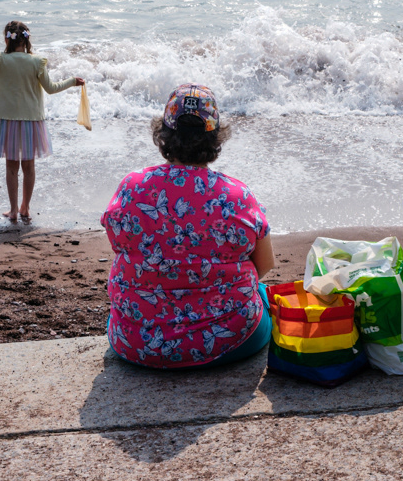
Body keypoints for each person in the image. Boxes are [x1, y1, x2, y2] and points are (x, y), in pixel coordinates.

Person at [101, 84, 275, 369]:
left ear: (164, 134)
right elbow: (264, 265)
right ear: (215, 137)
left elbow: (121, 247)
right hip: (230, 339)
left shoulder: (132, 188)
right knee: (263, 293)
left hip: (137, 342)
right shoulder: (237, 196)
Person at [0, 21, 84, 224]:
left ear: (7, 40)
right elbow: (51, 88)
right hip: (31, 121)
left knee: (11, 167)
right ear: (27, 40)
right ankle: (25, 208)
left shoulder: (0, 60)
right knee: (29, 167)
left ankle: (13, 210)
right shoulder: (37, 62)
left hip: (6, 121)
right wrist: (72, 81)